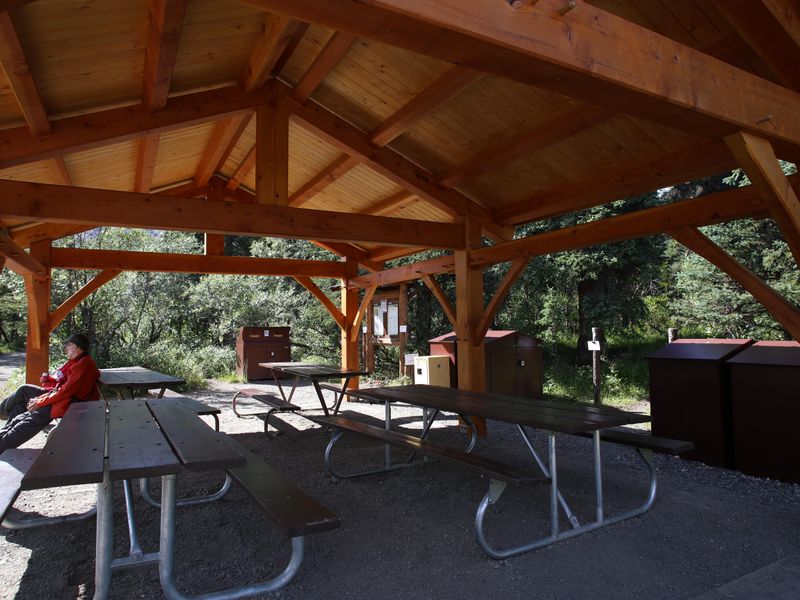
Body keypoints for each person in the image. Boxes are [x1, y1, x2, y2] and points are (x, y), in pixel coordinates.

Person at [0, 333, 100, 454]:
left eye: (67, 345)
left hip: (72, 405)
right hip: (63, 400)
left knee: (29, 419)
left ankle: (2, 445)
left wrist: (40, 401)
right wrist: (45, 389)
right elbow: (61, 385)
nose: (65, 348)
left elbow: (66, 391)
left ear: (74, 346)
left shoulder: (84, 365)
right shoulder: (76, 361)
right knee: (20, 413)